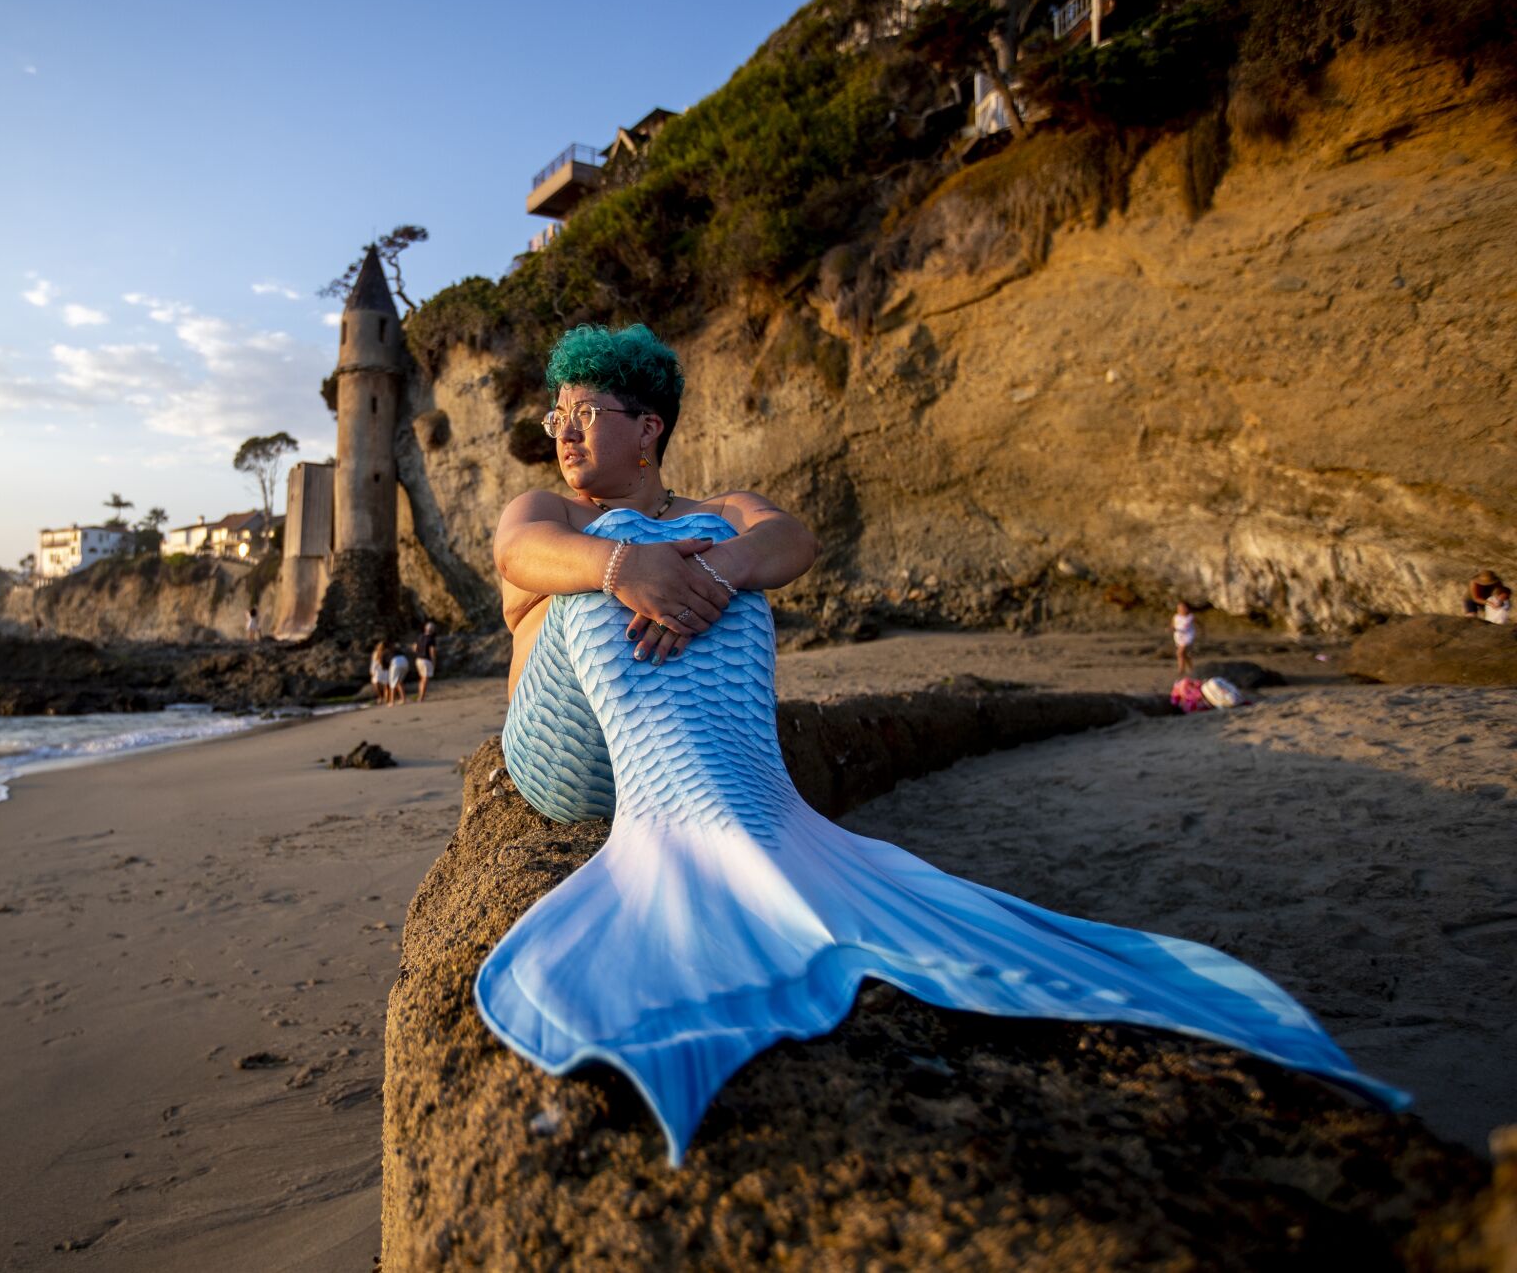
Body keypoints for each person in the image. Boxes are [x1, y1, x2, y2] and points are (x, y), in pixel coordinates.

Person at [480, 322, 1407, 1166]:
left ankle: (738, 822)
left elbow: (788, 538)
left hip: (685, 725)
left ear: (648, 429)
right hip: (564, 757)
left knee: (713, 551)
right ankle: (691, 826)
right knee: (624, 549)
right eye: (558, 414)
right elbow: (517, 555)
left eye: (585, 413)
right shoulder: (553, 512)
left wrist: (715, 570)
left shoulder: (719, 504)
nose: (562, 432)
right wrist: (621, 563)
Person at [412, 620, 439, 702]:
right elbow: (432, 652)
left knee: (421, 679)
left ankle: (420, 695)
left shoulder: (420, 637)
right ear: (433, 630)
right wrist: (434, 662)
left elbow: (414, 647)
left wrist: (418, 652)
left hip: (418, 659)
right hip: (426, 660)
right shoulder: (431, 639)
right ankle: (421, 697)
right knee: (425, 679)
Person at [1172, 601, 1197, 676]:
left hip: (1188, 636)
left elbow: (1199, 624)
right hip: (1179, 636)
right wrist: (1172, 629)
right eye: (1179, 608)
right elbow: (1173, 625)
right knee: (1184, 654)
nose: (1181, 609)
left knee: (1179, 653)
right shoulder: (1176, 617)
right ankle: (1191, 668)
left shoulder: (1191, 617)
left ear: (1187, 608)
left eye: (1183, 607)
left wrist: (1202, 633)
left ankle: (1181, 670)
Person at [368, 641, 390, 705]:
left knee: (386, 685)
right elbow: (373, 662)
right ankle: (380, 697)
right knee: (376, 683)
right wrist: (372, 670)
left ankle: (386, 699)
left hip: (385, 669)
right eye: (380, 645)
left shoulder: (386, 652)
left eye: (382, 646)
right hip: (377, 669)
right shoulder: (375, 653)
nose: (381, 647)